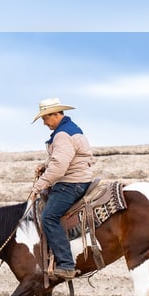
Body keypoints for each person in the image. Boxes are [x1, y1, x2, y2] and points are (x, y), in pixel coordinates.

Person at [30, 97, 95, 280]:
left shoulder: (62, 135)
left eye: (45, 118)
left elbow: (60, 167)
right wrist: (45, 165)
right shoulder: (71, 130)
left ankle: (66, 265)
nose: (44, 123)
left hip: (70, 183)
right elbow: (63, 158)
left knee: (49, 216)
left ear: (56, 114)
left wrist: (39, 186)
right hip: (79, 179)